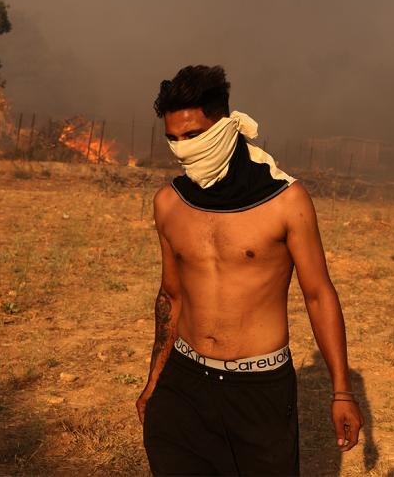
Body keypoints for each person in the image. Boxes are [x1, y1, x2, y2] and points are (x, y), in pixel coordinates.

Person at [137, 64, 363, 476]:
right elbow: (171, 295)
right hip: (184, 383)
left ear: (225, 126)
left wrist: (342, 391)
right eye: (173, 139)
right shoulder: (169, 203)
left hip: (259, 389)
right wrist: (155, 380)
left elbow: (318, 294)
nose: (183, 148)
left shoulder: (285, 200)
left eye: (193, 136)